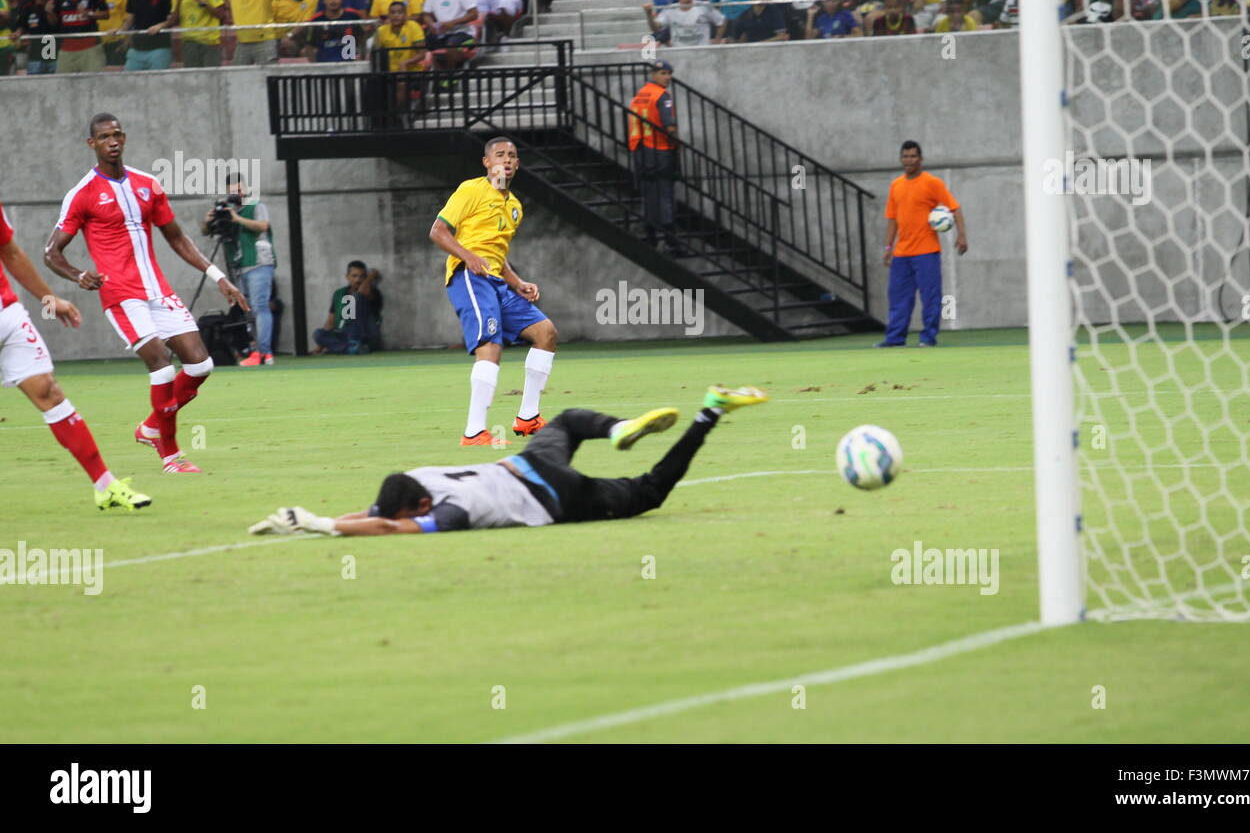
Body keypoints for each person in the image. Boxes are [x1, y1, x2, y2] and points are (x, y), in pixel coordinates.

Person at [248, 386, 769, 537]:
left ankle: (710, 413)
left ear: (422, 505)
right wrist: (308, 524)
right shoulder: (418, 478)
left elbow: (389, 529)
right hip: (525, 462)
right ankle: (615, 428)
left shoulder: (451, 510)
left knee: (650, 491)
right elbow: (380, 512)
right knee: (563, 420)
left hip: (554, 496)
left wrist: (322, 526)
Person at [44, 113, 250, 474]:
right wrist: (79, 276)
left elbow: (177, 238)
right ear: (91, 144)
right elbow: (51, 252)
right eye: (105, 136)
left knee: (201, 364)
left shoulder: (147, 184)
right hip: (121, 295)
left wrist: (218, 275)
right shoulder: (82, 194)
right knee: (160, 365)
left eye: (118, 134)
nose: (113, 141)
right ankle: (171, 455)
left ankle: (153, 425)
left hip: (158, 290)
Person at [0, 201, 151, 511]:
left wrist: (49, 298)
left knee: (49, 392)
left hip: (7, 315)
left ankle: (105, 486)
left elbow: (11, 252)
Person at [429, 136, 559, 446]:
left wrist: (518, 283)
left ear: (517, 164)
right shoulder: (472, 190)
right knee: (490, 345)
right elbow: (437, 231)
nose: (508, 159)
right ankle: (474, 431)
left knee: (546, 333)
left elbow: (498, 257)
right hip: (469, 277)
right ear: (487, 162)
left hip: (497, 281)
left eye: (513, 155)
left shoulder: (514, 206)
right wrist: (469, 257)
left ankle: (528, 418)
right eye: (500, 154)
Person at [876, 140, 967, 348]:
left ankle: (928, 338)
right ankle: (895, 339)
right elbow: (892, 219)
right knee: (898, 298)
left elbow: (955, 208)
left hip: (927, 252)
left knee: (931, 298)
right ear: (901, 159)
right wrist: (888, 248)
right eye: (905, 156)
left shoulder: (932, 183)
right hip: (901, 254)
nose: (909, 160)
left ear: (921, 159)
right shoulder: (896, 185)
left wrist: (961, 235)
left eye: (913, 156)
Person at [201, 172, 276, 366]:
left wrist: (236, 219)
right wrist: (209, 220)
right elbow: (206, 231)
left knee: (260, 306)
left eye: (240, 188)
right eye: (233, 190)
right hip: (239, 265)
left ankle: (264, 353)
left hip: (259, 262)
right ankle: (253, 350)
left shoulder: (255, 205)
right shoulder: (229, 209)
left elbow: (262, 226)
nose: (237, 192)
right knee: (247, 310)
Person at [628, 60, 679, 250]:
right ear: (653, 75)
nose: (668, 77)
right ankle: (670, 239)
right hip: (660, 150)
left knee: (649, 193)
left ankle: (650, 235)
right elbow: (669, 126)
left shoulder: (641, 95)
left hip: (641, 150)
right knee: (665, 194)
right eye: (663, 73)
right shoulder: (662, 96)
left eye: (669, 73)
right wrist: (677, 145)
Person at [51, 0, 110, 73]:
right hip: (66, 47)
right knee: (63, 85)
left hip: (91, 46)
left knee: (94, 84)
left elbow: (106, 14)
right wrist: (49, 12)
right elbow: (53, 22)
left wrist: (90, 14)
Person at [312, 259, 383, 354]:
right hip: (344, 334)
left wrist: (370, 278)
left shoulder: (372, 292)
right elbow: (330, 322)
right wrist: (320, 347)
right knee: (318, 334)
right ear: (347, 276)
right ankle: (350, 349)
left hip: (366, 335)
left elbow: (361, 294)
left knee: (356, 297)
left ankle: (349, 347)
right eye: (354, 276)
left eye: (362, 276)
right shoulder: (339, 293)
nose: (358, 280)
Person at [420, 0, 478, 72]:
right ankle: (435, 78)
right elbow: (426, 14)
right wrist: (432, 25)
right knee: (421, 44)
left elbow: (474, 14)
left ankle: (451, 75)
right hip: (441, 32)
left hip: (463, 31)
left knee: (451, 44)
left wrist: (453, 23)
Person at [653, 0, 725, 46]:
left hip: (702, 54)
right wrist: (648, 13)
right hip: (680, 55)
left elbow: (721, 21)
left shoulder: (704, 6)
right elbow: (656, 27)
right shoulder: (669, 10)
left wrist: (717, 41)